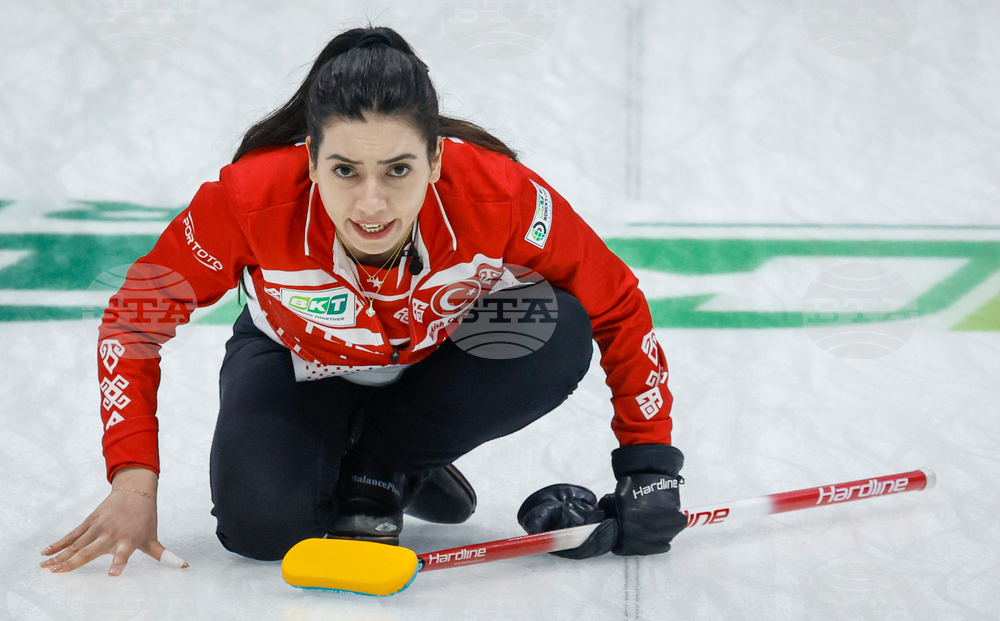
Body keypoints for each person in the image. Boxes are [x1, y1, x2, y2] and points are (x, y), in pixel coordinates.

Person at [39, 26, 686, 576]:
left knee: (558, 321)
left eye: (398, 169)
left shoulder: (500, 192)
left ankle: (388, 464)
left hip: (432, 359)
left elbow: (617, 301)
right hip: (296, 357)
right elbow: (133, 319)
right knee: (261, 529)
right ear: (310, 159)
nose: (371, 204)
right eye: (345, 170)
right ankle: (367, 451)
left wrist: (649, 465)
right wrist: (133, 475)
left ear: (435, 159)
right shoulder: (246, 199)